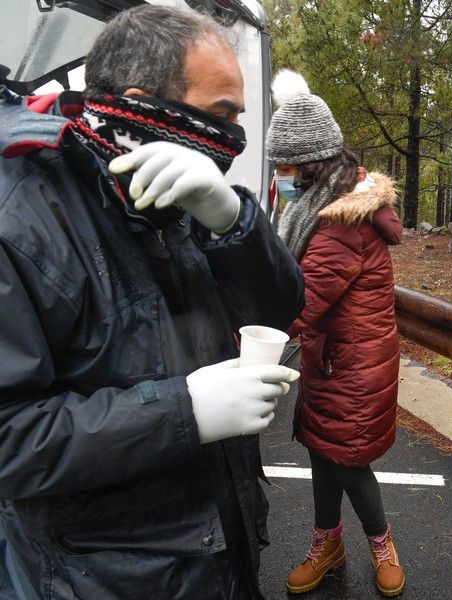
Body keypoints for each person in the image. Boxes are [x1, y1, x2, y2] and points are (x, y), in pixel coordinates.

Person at [0, 7, 304, 599]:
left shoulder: (178, 198)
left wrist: (233, 220)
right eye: (221, 116)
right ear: (143, 110)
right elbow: (10, 440)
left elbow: (282, 308)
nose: (233, 138)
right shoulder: (22, 222)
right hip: (96, 577)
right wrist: (184, 410)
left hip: (218, 546)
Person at [264, 70, 405, 597]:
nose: (280, 174)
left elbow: (298, 305)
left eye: (285, 165)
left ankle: (381, 543)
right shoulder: (321, 205)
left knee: (348, 462)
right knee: (322, 453)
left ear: (312, 163)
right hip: (332, 359)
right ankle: (328, 544)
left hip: (354, 365)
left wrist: (244, 336)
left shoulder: (340, 223)